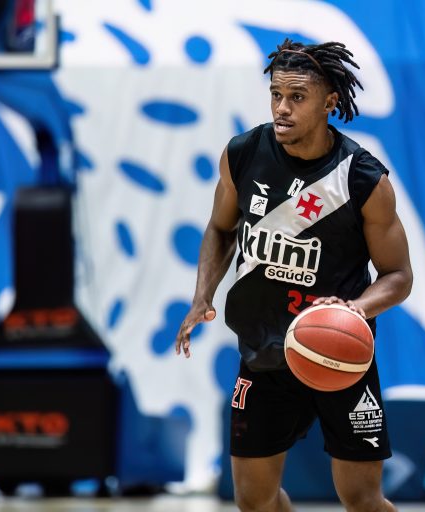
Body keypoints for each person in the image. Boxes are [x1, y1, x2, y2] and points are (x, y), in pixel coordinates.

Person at [176, 39, 412, 512]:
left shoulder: (363, 179)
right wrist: (202, 295)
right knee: (253, 501)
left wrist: (356, 309)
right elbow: (220, 229)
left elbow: (398, 276)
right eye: (276, 95)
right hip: (263, 353)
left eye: (297, 97)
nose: (282, 108)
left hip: (338, 357)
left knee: (362, 499)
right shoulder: (243, 153)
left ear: (329, 102)